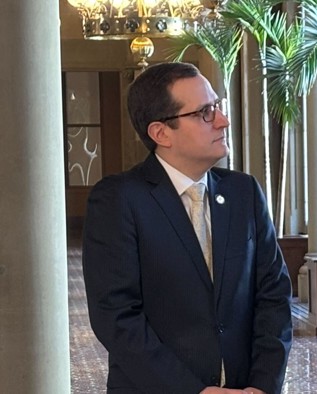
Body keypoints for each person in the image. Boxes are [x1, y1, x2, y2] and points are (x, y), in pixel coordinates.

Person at [82, 62, 293, 394]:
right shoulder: (119, 200)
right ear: (161, 133)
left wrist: (263, 385)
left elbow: (273, 295)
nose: (222, 120)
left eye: (218, 106)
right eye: (205, 112)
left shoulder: (244, 192)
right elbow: (117, 317)